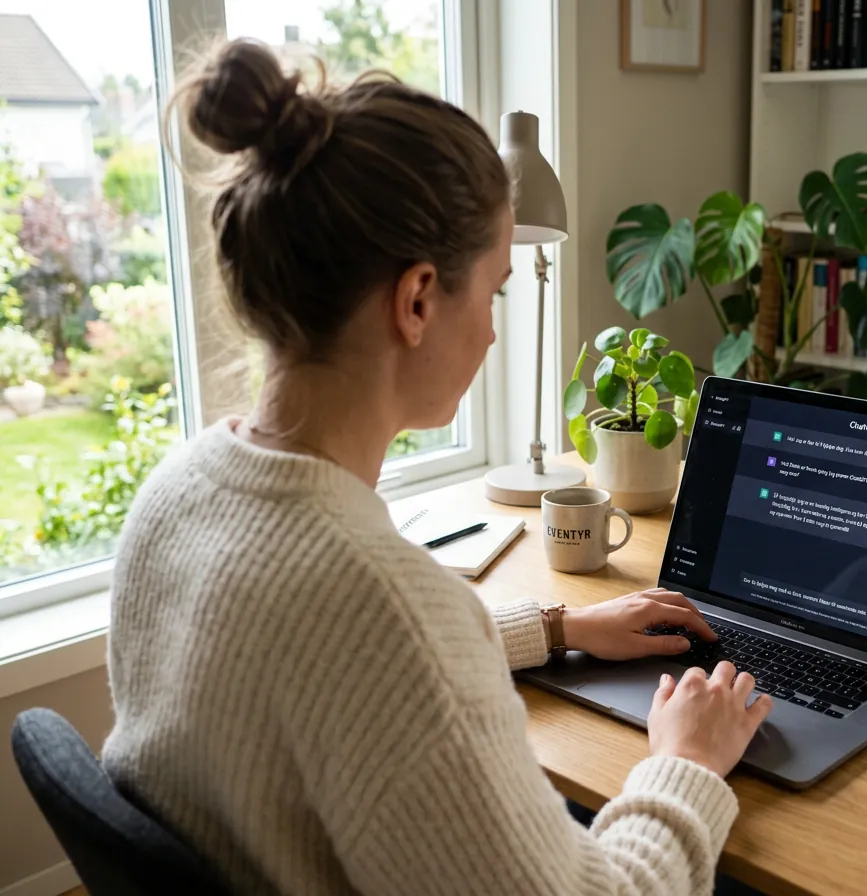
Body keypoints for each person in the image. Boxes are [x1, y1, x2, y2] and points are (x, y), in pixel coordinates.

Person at [102, 39, 773, 896]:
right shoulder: (380, 610)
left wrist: (558, 628)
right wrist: (690, 762)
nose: (494, 331)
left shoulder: (180, 490)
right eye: (491, 291)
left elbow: (335, 663)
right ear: (417, 300)